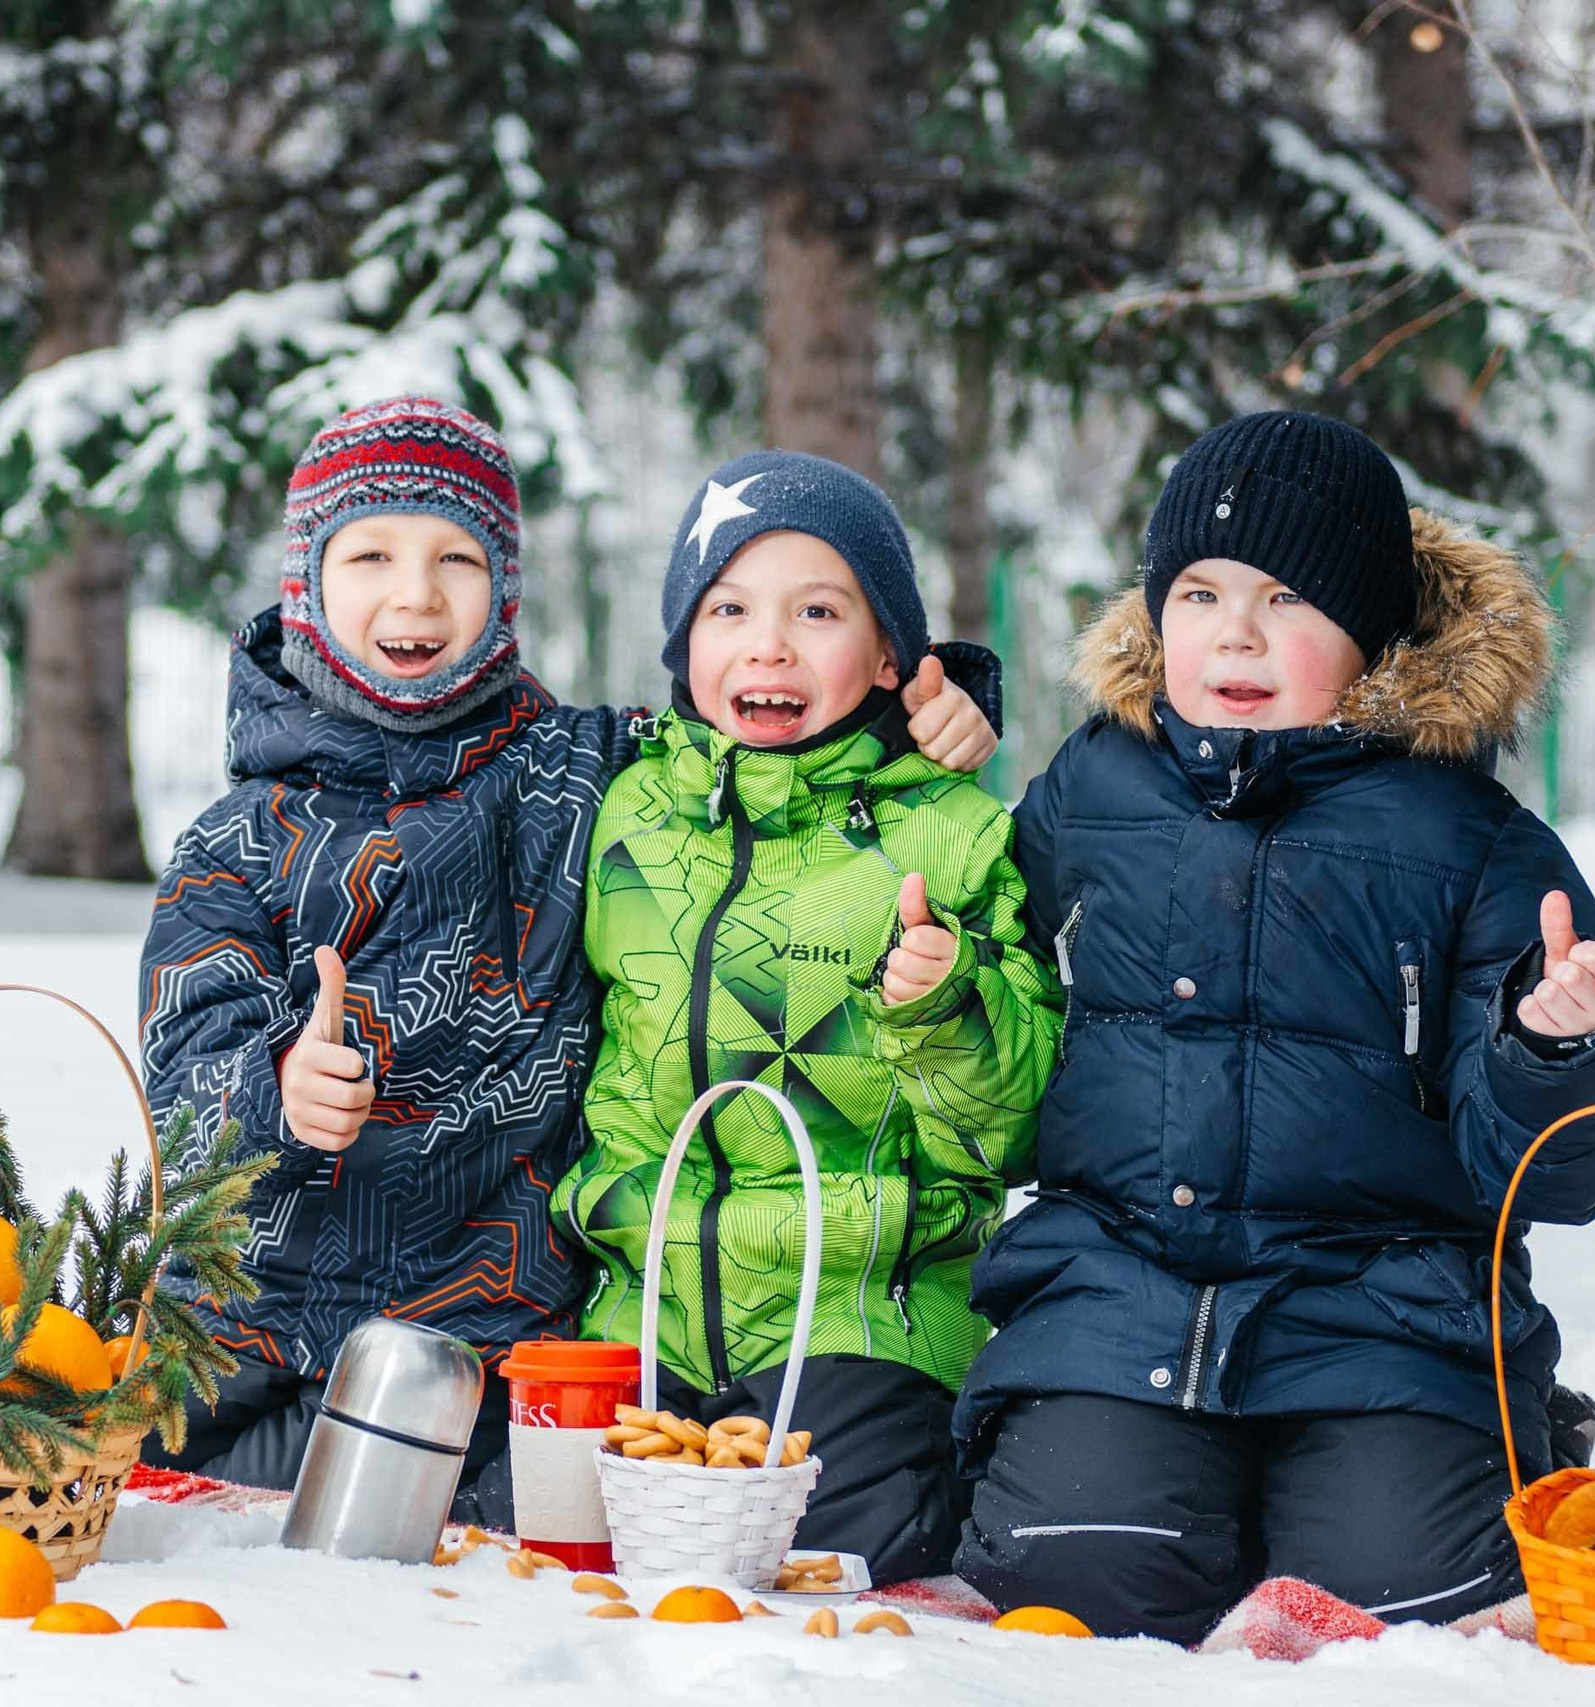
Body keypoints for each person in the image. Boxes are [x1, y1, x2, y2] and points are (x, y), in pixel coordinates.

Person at [136, 400, 999, 1515]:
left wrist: (933, 703)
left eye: (457, 558)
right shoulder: (236, 839)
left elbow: (763, 738)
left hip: (488, 1331)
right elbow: (181, 1069)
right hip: (258, 1314)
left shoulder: (590, 770)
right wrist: (275, 1085)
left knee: (473, 1522)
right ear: (306, 582)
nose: (416, 593)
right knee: (180, 1501)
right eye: (371, 555)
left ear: (505, 589)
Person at [951, 411, 1595, 1642]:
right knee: (1076, 1580)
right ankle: (1171, 1489)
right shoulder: (1089, 789)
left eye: (1286, 599)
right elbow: (986, 968)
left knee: (1404, 1602)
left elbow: (1559, 1174)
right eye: (1200, 594)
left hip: (1382, 1318)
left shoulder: (1468, 839)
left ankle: (1478, 1449)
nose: (1235, 631)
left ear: (1369, 632)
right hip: (1122, 1292)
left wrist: (1559, 1050)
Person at [552, 451, 1061, 1583]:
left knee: (830, 1551)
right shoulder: (624, 808)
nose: (768, 646)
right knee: (550, 1539)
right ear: (683, 646)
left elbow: (1013, 1132)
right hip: (639, 1313)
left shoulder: (951, 836)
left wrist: (948, 1004)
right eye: (727, 609)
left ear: (890, 658)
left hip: (857, 1317)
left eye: (818, 612)